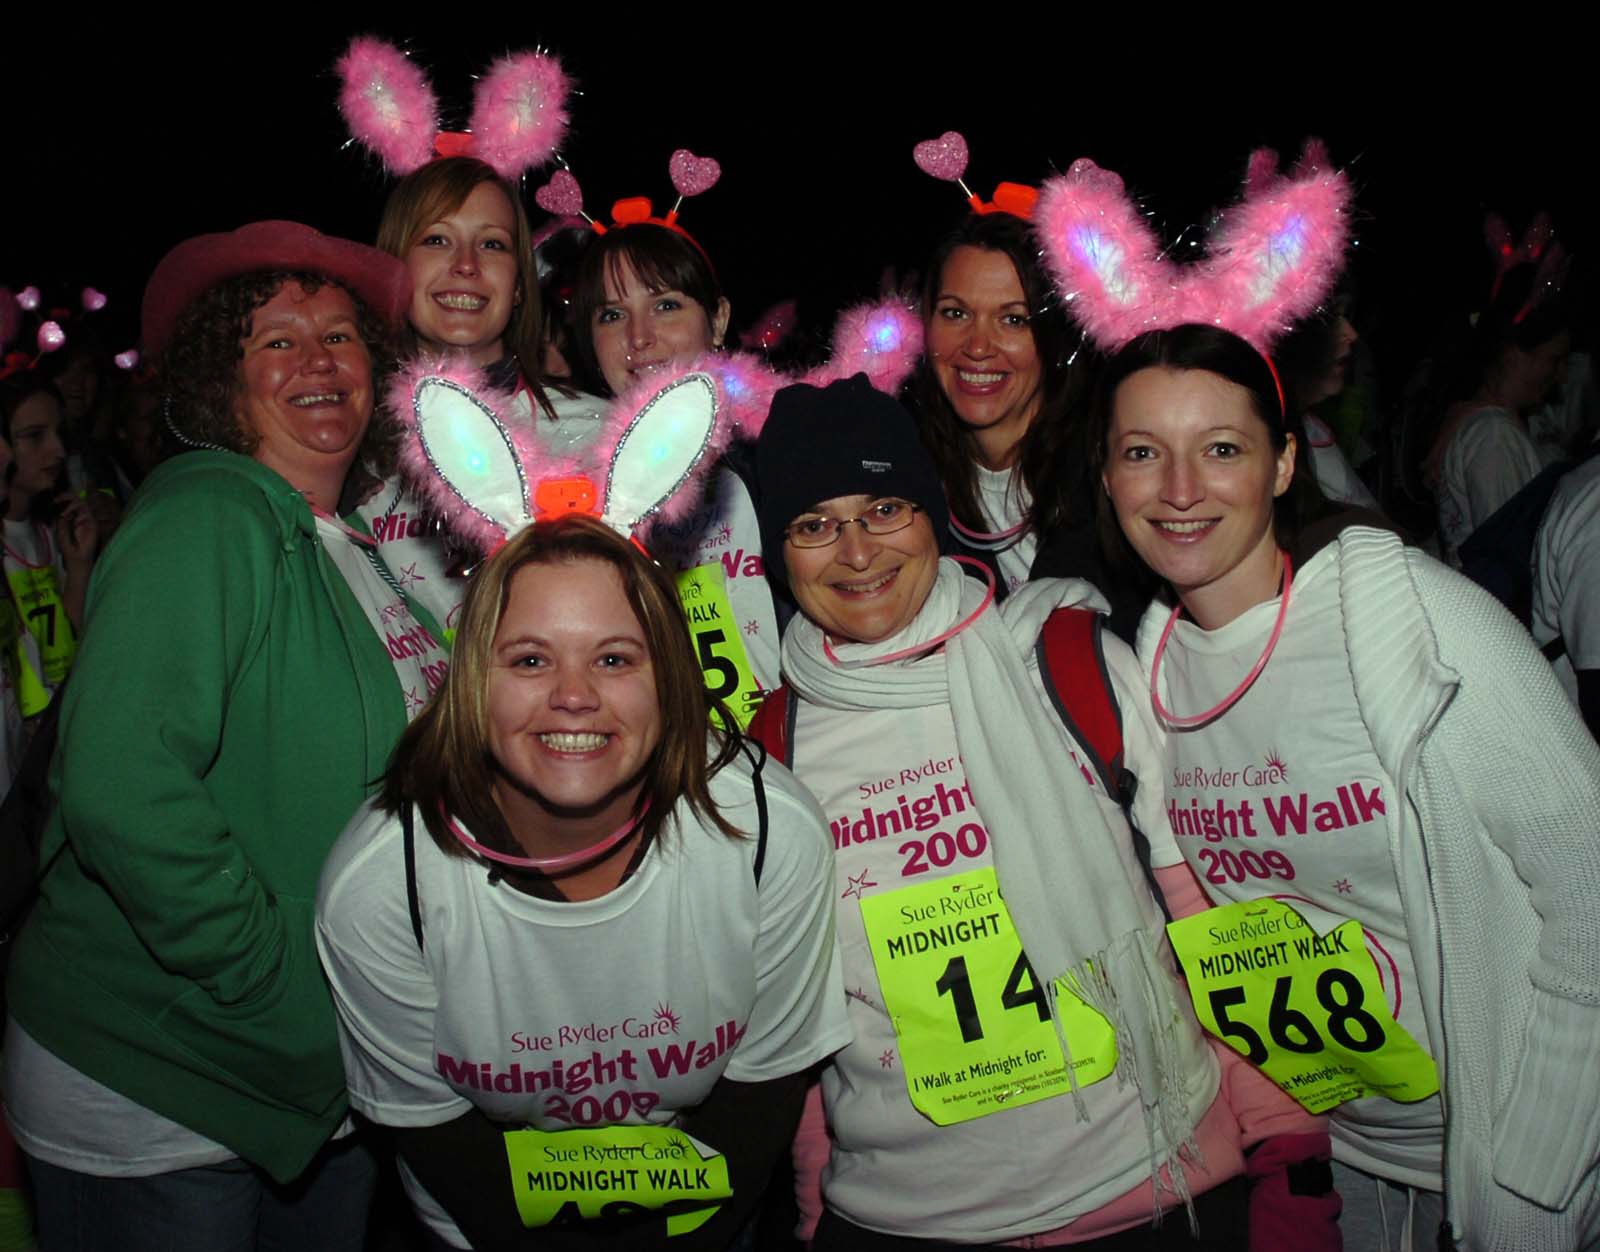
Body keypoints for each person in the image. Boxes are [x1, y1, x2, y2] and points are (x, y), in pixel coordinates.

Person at [748, 374, 1332, 1249]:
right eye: (814, 524)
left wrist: (1293, 1157)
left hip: (1156, 1190)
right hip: (903, 1222)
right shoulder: (771, 750)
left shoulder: (1065, 661)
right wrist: (812, 1212)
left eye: (883, 508)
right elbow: (799, 1025)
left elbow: (1221, 927)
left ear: (931, 514)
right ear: (780, 555)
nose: (857, 551)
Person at [1095, 322, 1600, 1251]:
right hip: (1347, 1157)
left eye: (1221, 450)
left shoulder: (1412, 629)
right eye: (1141, 453)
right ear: (1108, 477)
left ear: (1284, 464)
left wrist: (1538, 1162)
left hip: (1504, 1158)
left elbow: (1589, 878)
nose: (1177, 490)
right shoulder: (1149, 667)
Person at [2, 220, 446, 1250]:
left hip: (310, 1084)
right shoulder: (208, 514)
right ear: (219, 380)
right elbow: (120, 785)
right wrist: (274, 979)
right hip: (169, 1085)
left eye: (339, 338)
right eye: (276, 341)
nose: (318, 360)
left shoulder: (352, 545)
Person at [316, 509, 848, 1251]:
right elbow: (439, 1136)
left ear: (669, 676)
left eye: (614, 659)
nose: (574, 696)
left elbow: (758, 1099)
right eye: (531, 660)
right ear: (474, 677)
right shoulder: (385, 883)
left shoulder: (765, 831)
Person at [363, 155, 607, 633]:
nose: (467, 265)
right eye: (436, 239)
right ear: (395, 266)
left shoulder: (600, 433)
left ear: (518, 285)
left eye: (492, 244)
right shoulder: (347, 448)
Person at [570, 220, 779, 721]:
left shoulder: (785, 454)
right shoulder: (573, 491)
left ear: (719, 318)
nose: (639, 337)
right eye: (612, 314)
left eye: (666, 305)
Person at [911, 211, 1151, 640]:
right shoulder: (909, 474)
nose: (978, 346)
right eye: (955, 313)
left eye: (1014, 319)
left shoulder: (1108, 465)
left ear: (1055, 337)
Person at [1425, 267, 1571, 563]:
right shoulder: (1494, 435)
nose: (1561, 374)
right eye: (1553, 360)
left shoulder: (1482, 421)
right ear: (1514, 354)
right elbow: (1506, 556)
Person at [0, 377, 98, 718]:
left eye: (59, 433)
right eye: (34, 436)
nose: (57, 450)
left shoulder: (46, 533)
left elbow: (61, 653)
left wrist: (79, 566)